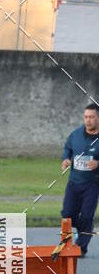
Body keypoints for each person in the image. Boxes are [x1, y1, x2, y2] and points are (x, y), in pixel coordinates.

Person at [61, 103, 99, 257]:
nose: (88, 120)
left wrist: (98, 163)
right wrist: (65, 159)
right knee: (67, 214)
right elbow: (67, 148)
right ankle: (80, 233)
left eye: (91, 117)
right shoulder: (76, 134)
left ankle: (81, 248)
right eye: (86, 117)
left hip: (92, 184)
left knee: (87, 216)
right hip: (74, 182)